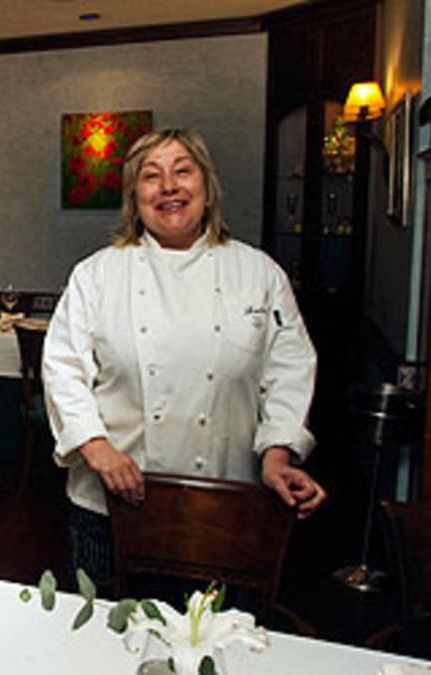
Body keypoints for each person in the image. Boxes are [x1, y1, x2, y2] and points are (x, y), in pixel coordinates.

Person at [41, 128, 326, 583]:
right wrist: (96, 448)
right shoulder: (96, 275)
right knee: (103, 640)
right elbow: (63, 370)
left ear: (207, 187)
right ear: (135, 198)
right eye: (151, 176)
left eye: (183, 171)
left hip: (223, 503)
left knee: (213, 639)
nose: (169, 187)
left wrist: (277, 456)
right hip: (111, 505)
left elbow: (288, 371)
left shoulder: (258, 274)